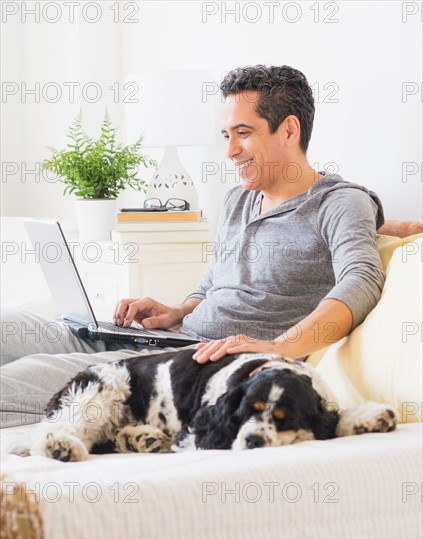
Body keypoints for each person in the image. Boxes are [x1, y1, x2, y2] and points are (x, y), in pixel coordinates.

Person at [0, 65, 385, 428]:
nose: (230, 150)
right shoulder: (239, 199)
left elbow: (362, 279)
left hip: (191, 366)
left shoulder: (339, 203)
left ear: (288, 130)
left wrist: (280, 347)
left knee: (15, 383)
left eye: (243, 133)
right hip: (170, 337)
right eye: (226, 136)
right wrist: (177, 311)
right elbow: (210, 287)